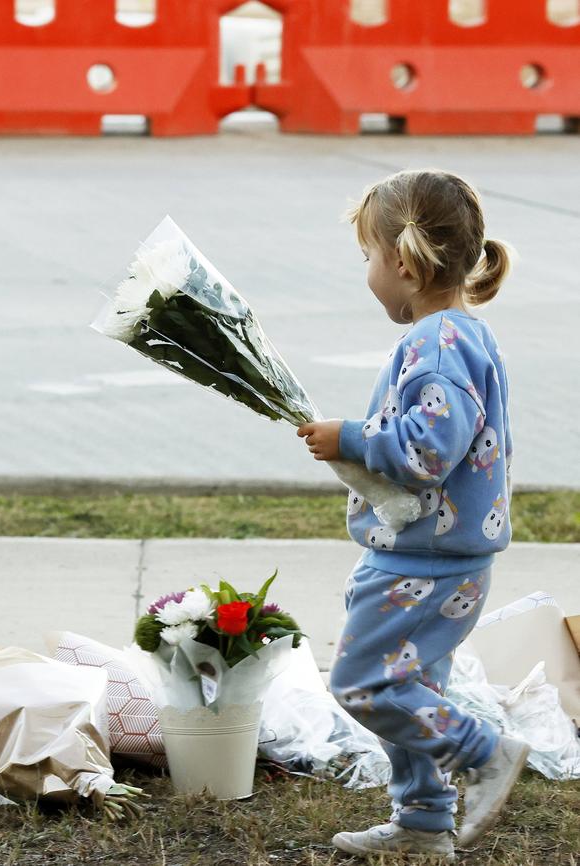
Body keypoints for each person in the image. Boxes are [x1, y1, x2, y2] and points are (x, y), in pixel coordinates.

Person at [297, 169, 529, 862]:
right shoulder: (462, 335)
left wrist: (353, 439)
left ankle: (484, 753)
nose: (367, 270)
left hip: (422, 561)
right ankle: (423, 825)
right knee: (415, 688)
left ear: (402, 261)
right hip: (441, 555)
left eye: (368, 256)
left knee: (364, 683)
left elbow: (429, 450)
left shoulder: (436, 345)